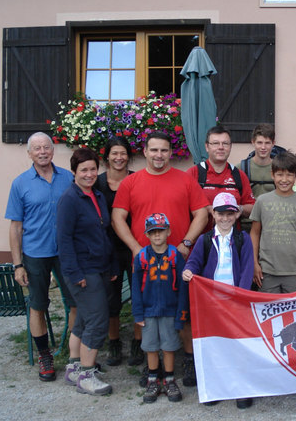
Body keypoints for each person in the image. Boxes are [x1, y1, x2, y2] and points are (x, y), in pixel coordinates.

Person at [112, 131, 209, 387]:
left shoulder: (184, 180)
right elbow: (117, 218)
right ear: (144, 151)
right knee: (147, 311)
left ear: (170, 152)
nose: (159, 155)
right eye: (154, 150)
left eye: (164, 150)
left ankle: (188, 360)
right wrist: (134, 248)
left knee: (184, 310)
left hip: (178, 260)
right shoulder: (130, 183)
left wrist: (186, 243)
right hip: (145, 263)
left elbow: (201, 213)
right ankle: (150, 363)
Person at [5, 132, 76, 382]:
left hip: (66, 253)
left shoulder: (68, 178)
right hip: (35, 254)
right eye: (37, 148)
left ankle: (75, 355)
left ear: (53, 150)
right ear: (30, 154)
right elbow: (15, 227)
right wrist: (18, 265)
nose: (43, 151)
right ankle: (44, 355)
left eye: (46, 147)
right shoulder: (20, 183)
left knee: (76, 301)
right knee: (38, 305)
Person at [182, 192, 254, 409]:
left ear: (237, 214)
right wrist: (187, 271)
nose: (225, 218)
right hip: (210, 303)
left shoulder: (243, 239)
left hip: (234, 301)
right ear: (213, 214)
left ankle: (241, 387)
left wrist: (239, 297)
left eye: (230, 214)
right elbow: (194, 263)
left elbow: (248, 269)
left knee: (237, 344)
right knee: (214, 345)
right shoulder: (204, 240)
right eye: (220, 213)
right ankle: (216, 387)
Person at [58, 148, 118, 396]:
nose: (90, 174)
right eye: (84, 170)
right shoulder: (69, 200)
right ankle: (86, 373)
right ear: (74, 172)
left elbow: (104, 233)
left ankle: (73, 367)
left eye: (93, 169)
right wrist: (74, 274)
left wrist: (112, 264)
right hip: (83, 270)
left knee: (84, 317)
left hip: (101, 267)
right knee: (97, 319)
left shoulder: (96, 195)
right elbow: (63, 240)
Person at [132, 213, 187, 403]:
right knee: (151, 347)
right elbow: (135, 287)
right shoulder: (141, 257)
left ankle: (170, 380)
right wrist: (137, 312)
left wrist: (181, 314)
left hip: (170, 311)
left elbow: (182, 288)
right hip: (147, 312)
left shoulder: (175, 256)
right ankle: (153, 380)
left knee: (169, 346)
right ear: (147, 234)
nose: (157, 236)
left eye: (161, 231)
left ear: (168, 231)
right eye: (152, 232)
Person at [250, 151, 296, 293]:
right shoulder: (262, 201)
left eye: (289, 175)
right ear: (272, 175)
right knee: (268, 311)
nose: (284, 179)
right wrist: (255, 264)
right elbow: (255, 234)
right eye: (280, 174)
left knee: (293, 313)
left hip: (295, 272)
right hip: (267, 271)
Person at [94, 136, 135, 366]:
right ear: (107, 156)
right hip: (107, 249)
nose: (119, 158)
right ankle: (115, 342)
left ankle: (138, 344)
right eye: (114, 154)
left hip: (133, 246)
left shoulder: (136, 179)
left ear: (128, 156)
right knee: (112, 299)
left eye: (123, 153)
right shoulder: (97, 182)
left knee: (139, 296)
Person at [187, 125, 255, 230]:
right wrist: (209, 209)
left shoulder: (239, 175)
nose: (221, 147)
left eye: (225, 143)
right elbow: (183, 205)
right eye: (215, 143)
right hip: (200, 241)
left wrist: (237, 208)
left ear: (230, 146)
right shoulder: (194, 173)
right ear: (206, 147)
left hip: (231, 241)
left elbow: (252, 207)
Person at [239, 123, 280, 200]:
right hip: (249, 211)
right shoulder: (241, 168)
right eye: (259, 143)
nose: (263, 147)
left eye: (267, 143)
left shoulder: (279, 168)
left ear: (273, 143)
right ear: (253, 142)